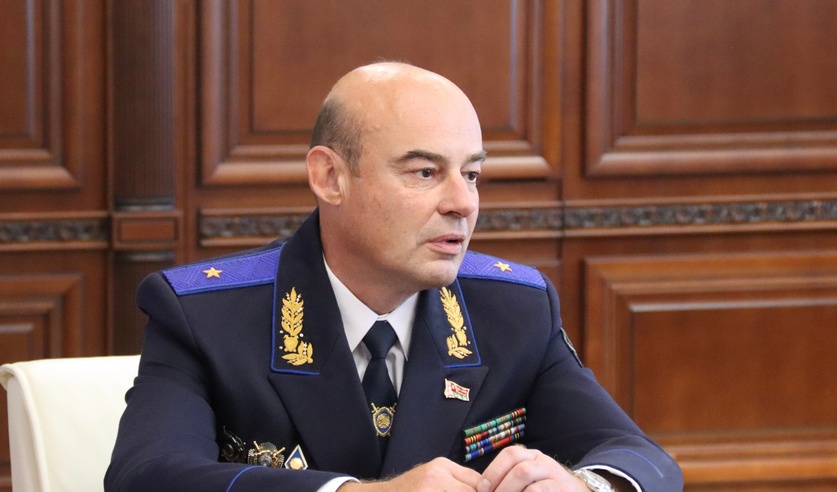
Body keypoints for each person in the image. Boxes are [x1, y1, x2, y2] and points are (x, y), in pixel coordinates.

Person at [106, 62, 683, 492]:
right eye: (425, 172)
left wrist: (584, 486)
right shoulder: (205, 315)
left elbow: (641, 458)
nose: (463, 203)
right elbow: (145, 475)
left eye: (472, 174)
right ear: (330, 178)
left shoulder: (514, 307)